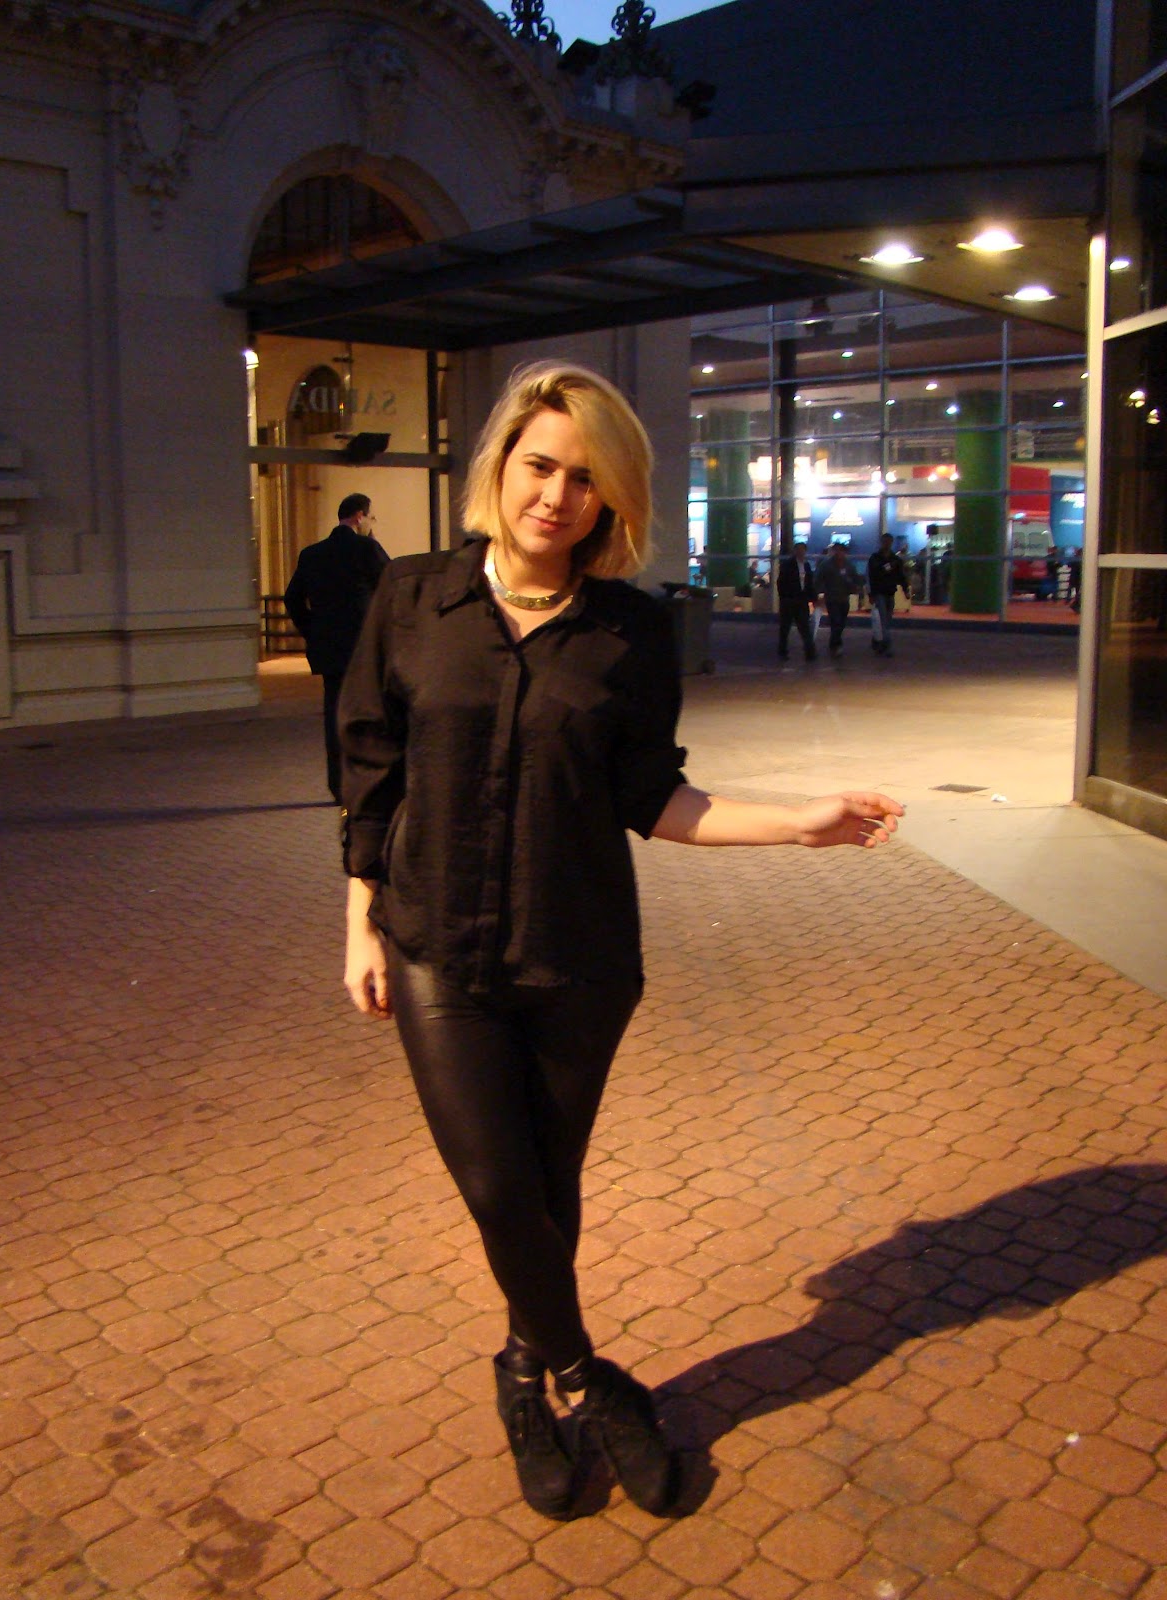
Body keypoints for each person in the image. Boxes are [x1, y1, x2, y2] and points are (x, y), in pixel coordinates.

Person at [338, 361, 903, 1522]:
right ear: (500, 465)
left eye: (585, 477)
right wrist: (358, 923)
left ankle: (522, 1371)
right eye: (539, 465)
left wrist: (799, 823)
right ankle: (590, 1380)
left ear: (613, 497)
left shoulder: (631, 630)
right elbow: (369, 773)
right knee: (497, 1185)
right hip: (437, 944)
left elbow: (654, 799)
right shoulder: (410, 596)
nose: (556, 495)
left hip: (580, 956)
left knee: (549, 1187)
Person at [284, 493, 390, 803]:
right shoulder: (367, 549)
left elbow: (292, 598)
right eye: (371, 517)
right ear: (359, 516)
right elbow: (392, 589)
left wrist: (312, 631)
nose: (371, 523)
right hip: (363, 648)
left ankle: (337, 785)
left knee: (334, 715)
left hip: (329, 650)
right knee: (369, 714)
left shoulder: (312, 554)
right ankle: (366, 782)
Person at [866, 531, 911, 656]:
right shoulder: (876, 558)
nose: (886, 544)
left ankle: (878, 640)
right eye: (885, 542)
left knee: (886, 619)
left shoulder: (895, 560)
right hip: (879, 592)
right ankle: (886, 644)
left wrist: (905, 589)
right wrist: (871, 593)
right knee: (883, 619)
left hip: (889, 592)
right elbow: (871, 576)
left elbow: (901, 576)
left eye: (888, 542)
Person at [776, 537, 817, 661]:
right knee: (786, 627)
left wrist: (812, 597)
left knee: (804, 627)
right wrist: (785, 597)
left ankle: (809, 652)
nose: (801, 552)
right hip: (790, 600)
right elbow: (781, 582)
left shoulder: (806, 566)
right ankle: (783, 651)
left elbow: (809, 583)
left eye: (802, 550)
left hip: (801, 600)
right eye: (798, 550)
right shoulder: (787, 565)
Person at [815, 543, 860, 656]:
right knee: (836, 621)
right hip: (831, 598)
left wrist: (854, 586)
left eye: (841, 551)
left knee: (841, 623)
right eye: (836, 550)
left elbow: (855, 579)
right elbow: (818, 580)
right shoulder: (826, 565)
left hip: (844, 598)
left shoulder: (849, 565)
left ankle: (835, 642)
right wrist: (818, 595)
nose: (839, 553)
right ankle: (836, 645)